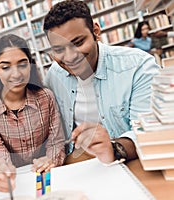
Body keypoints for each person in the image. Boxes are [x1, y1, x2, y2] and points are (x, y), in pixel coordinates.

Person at [42, 0, 160, 165]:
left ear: (96, 31)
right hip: (77, 166)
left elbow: (148, 133)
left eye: (78, 43)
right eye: (59, 50)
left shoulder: (137, 66)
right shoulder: (54, 75)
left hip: (127, 164)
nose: (69, 57)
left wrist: (112, 148)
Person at [0, 34, 66, 192]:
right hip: (12, 183)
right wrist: (0, 167)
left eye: (22, 64)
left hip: (44, 176)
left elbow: (56, 142)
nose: (16, 74)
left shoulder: (46, 97)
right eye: (5, 67)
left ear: (30, 65)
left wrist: (51, 159)